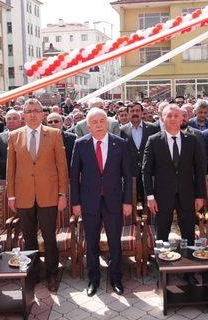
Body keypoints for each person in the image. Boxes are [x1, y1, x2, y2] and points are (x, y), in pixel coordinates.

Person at [6, 100, 69, 292]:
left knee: (49, 236)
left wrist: (62, 194)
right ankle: (32, 274)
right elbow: (11, 168)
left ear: (42, 114)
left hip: (49, 194)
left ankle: (52, 273)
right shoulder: (14, 136)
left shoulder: (54, 134)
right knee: (28, 237)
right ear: (23, 114)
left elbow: (61, 166)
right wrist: (11, 196)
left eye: (36, 111)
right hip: (24, 194)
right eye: (28, 111)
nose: (32, 114)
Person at [70, 108, 132, 296]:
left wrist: (127, 201)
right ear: (88, 125)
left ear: (108, 123)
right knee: (91, 241)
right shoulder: (80, 144)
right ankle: (93, 279)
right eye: (94, 122)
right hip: (89, 201)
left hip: (114, 200)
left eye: (102, 121)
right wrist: (76, 202)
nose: (98, 125)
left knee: (114, 241)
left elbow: (128, 176)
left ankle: (115, 278)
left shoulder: (119, 143)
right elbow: (74, 176)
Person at [142, 104, 206, 285]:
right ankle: (163, 272)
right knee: (162, 234)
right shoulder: (154, 140)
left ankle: (188, 271)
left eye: (176, 115)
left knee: (188, 234)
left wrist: (200, 195)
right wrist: (150, 197)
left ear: (182, 119)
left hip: (187, 194)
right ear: (162, 119)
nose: (172, 118)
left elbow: (199, 170)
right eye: (168, 116)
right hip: (162, 196)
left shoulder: (192, 140)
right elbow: (146, 171)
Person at [120, 102, 159, 205]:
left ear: (142, 113)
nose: (135, 113)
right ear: (128, 114)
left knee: (150, 203)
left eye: (137, 111)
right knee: (132, 203)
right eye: (132, 111)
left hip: (149, 173)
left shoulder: (153, 128)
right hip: (130, 174)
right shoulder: (122, 131)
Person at [0, 109, 23, 181]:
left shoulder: (27, 135)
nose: (11, 121)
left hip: (24, 176)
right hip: (5, 176)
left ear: (20, 121)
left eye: (15, 118)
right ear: (5, 122)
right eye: (9, 119)